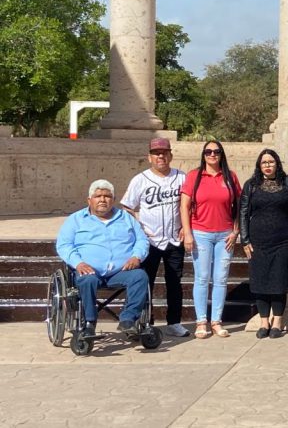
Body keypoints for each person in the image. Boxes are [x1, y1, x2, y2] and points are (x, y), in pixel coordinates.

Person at [56, 179, 150, 338]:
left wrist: (136, 256)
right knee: (87, 280)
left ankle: (128, 319)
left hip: (121, 271)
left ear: (113, 200)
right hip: (89, 271)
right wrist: (78, 263)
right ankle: (89, 323)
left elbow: (142, 240)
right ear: (89, 200)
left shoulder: (126, 218)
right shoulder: (76, 219)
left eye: (107, 196)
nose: (102, 199)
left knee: (140, 276)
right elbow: (64, 245)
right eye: (98, 196)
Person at [120, 137, 189, 338]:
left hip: (174, 238)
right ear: (149, 157)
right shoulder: (140, 179)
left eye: (164, 152)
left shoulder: (182, 177)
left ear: (171, 155)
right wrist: (139, 225)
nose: (161, 156)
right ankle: (145, 322)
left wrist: (186, 227)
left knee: (174, 283)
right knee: (145, 282)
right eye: (156, 153)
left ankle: (174, 322)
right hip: (148, 240)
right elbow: (127, 206)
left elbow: (190, 205)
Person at [180, 139, 241, 339]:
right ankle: (201, 321)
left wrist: (236, 231)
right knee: (202, 277)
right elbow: (184, 206)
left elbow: (239, 207)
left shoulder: (230, 177)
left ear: (221, 154)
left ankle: (216, 320)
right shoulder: (194, 176)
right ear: (203, 154)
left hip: (225, 235)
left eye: (216, 151)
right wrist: (187, 233)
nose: (212, 155)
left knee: (221, 278)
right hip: (201, 233)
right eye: (208, 152)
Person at [239, 149, 288, 339]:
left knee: (279, 281)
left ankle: (277, 321)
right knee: (260, 282)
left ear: (277, 164)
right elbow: (243, 213)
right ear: (259, 165)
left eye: (271, 162)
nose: (267, 165)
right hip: (258, 242)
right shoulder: (251, 185)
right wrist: (245, 239)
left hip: (284, 241)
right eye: (264, 162)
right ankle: (264, 321)